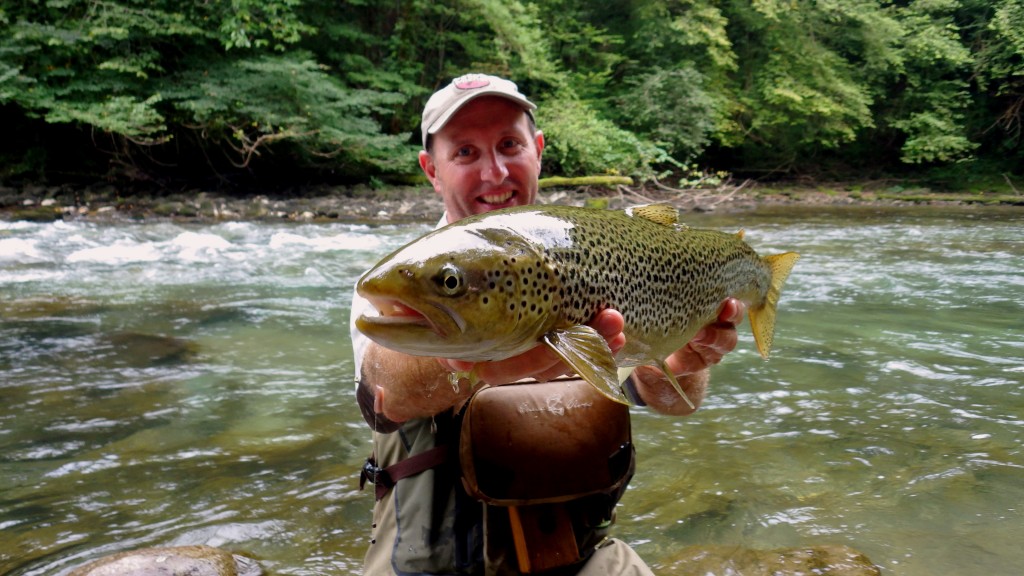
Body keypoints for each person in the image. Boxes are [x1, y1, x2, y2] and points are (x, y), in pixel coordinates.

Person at [349, 73, 745, 575]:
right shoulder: (405, 289)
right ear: (432, 169)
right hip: (427, 566)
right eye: (465, 152)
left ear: (537, 150)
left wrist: (685, 361)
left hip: (580, 558)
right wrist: (463, 361)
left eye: (509, 144)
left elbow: (671, 399)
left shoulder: (594, 252)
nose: (494, 172)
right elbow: (385, 395)